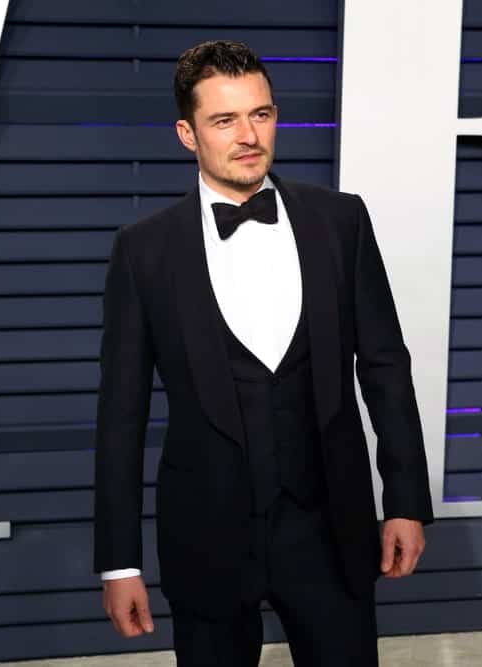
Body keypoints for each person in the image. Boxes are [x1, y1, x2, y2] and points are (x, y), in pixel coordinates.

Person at [93, 40, 434, 666]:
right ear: (187, 133)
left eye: (262, 114)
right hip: (207, 534)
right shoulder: (143, 252)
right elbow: (121, 419)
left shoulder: (341, 221)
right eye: (225, 120)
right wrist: (119, 562)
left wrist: (406, 501)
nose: (249, 135)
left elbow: (386, 366)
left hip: (330, 529)